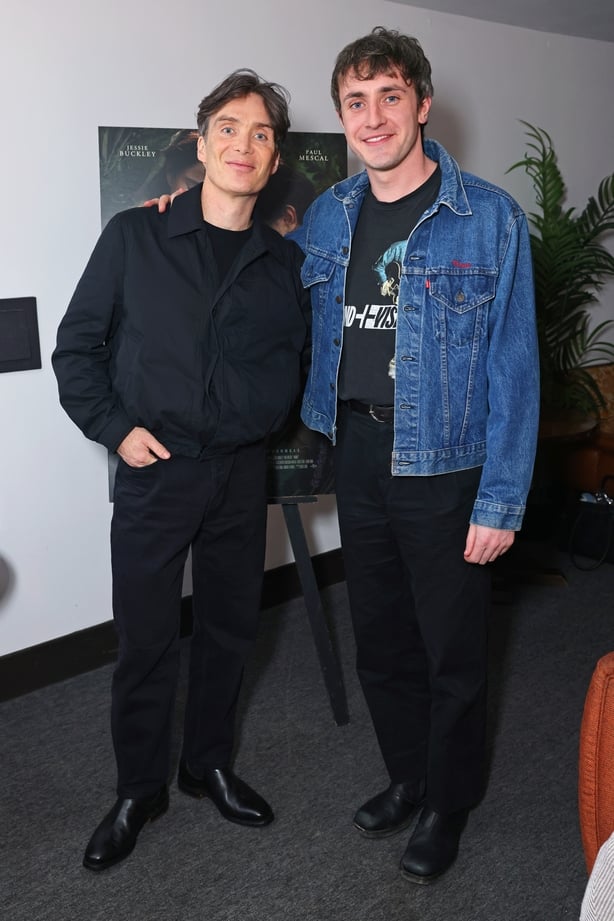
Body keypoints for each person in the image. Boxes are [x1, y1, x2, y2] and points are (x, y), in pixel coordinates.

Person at [291, 27, 539, 884]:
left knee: (453, 649)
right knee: (382, 639)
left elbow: (514, 367)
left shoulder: (489, 218)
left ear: (422, 103)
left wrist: (500, 501)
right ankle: (408, 774)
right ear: (342, 117)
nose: (373, 116)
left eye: (390, 95)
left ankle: (449, 801)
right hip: (358, 446)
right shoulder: (329, 214)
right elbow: (270, 302)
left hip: (447, 461)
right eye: (355, 102)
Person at [52, 69, 311, 872]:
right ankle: (139, 788)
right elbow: (76, 347)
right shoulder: (135, 237)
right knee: (146, 639)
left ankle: (207, 765)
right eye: (229, 128)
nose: (243, 144)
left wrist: (256, 421)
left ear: (273, 163)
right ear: (201, 148)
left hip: (239, 476)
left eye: (261, 134)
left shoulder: (282, 264)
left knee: (232, 629)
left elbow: (292, 365)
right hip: (154, 474)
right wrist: (114, 428)